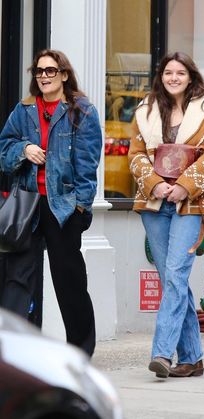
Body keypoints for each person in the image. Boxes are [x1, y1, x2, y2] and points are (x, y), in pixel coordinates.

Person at [0, 49, 102, 357]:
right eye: (39, 72)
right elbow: (4, 150)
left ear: (64, 75)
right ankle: (14, 351)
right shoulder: (24, 109)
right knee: (18, 278)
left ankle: (80, 352)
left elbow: (88, 163)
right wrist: (24, 149)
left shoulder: (81, 110)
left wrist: (81, 208)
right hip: (27, 206)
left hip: (63, 208)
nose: (44, 76)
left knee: (68, 281)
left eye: (50, 71)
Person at [128, 51, 204, 378]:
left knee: (175, 275)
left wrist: (184, 185)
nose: (173, 78)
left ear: (190, 76)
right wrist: (154, 184)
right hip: (154, 205)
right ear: (161, 76)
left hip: (189, 203)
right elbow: (135, 155)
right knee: (172, 279)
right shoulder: (144, 111)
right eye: (168, 72)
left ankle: (163, 353)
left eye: (180, 73)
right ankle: (193, 357)